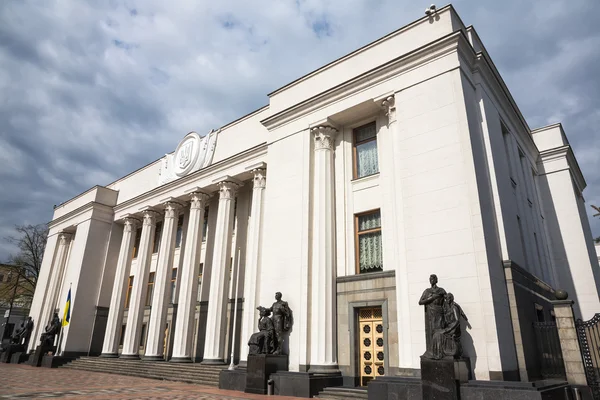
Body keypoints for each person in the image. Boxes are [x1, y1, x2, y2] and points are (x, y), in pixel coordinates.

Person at [418, 274, 447, 359]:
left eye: (433, 279)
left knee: (440, 331)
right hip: (431, 314)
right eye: (430, 279)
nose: (431, 280)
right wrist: (431, 298)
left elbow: (447, 299)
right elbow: (420, 301)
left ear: (436, 280)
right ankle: (432, 351)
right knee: (432, 332)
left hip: (440, 313)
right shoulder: (427, 291)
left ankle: (441, 351)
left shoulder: (441, 290)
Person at [443, 293, 468, 358]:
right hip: (450, 326)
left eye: (448, 298)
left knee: (445, 333)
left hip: (455, 328)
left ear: (451, 299)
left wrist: (450, 329)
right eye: (446, 299)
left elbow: (457, 321)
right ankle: (447, 351)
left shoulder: (454, 307)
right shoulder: (447, 307)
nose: (447, 300)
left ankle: (452, 351)